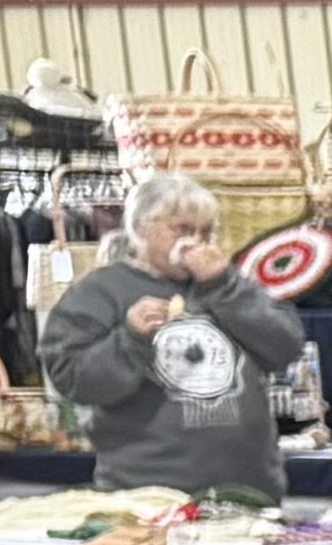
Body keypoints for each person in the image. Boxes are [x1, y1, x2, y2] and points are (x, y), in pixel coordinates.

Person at [38, 173, 302, 500]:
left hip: (250, 489)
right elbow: (73, 380)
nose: (195, 242)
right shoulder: (99, 293)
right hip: (147, 495)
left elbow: (286, 347)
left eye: (206, 233)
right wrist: (130, 339)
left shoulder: (227, 285)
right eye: (182, 230)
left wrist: (224, 287)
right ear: (142, 227)